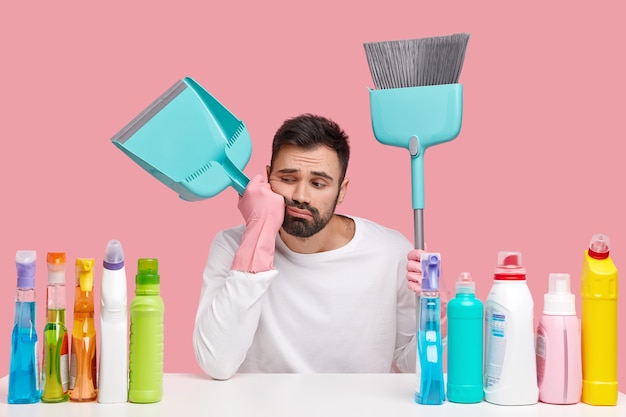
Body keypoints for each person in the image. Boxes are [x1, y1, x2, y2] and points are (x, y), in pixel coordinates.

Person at [193, 113, 423, 380]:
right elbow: (216, 363)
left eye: (318, 183)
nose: (300, 196)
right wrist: (257, 235)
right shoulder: (231, 245)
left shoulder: (391, 252)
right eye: (288, 179)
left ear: (342, 190)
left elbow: (410, 364)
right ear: (267, 178)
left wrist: (439, 313)